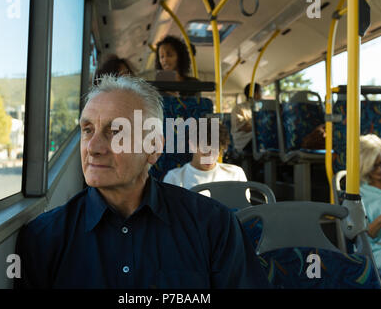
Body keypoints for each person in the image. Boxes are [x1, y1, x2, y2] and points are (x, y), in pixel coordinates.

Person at [14, 75, 269, 289]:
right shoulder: (43, 238)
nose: (92, 147)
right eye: (88, 130)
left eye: (116, 132)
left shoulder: (214, 225)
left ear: (154, 147)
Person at [163, 122, 248, 190]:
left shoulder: (235, 174)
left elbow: (244, 210)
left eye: (215, 151)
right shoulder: (175, 179)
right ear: (192, 145)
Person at [359, 134, 381, 281]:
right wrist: (380, 220)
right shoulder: (360, 194)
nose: (380, 170)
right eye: (374, 166)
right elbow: (362, 237)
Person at [230, 83, 262, 154]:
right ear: (255, 93)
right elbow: (243, 127)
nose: (262, 95)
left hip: (256, 136)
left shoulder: (259, 107)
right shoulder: (239, 108)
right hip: (245, 140)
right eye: (261, 92)